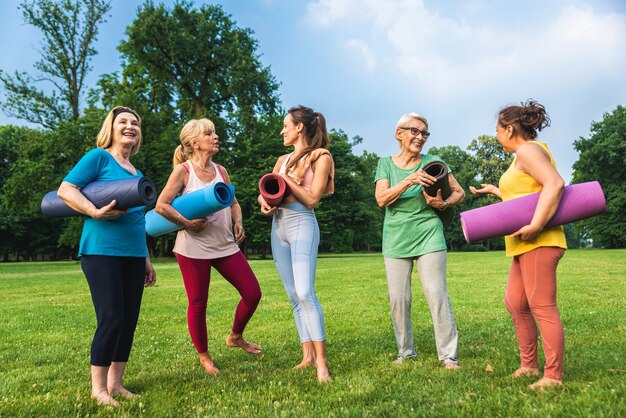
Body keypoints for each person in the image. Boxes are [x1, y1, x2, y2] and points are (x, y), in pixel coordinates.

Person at [57, 106, 157, 407]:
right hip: (101, 252)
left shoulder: (137, 174)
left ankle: (116, 384)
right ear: (111, 129)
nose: (130, 126)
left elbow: (138, 221)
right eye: (123, 122)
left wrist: (146, 259)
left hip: (132, 254)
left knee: (128, 321)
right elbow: (66, 189)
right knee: (111, 318)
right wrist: (93, 211)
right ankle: (98, 388)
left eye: (135, 123)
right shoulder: (98, 157)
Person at [470, 99, 567, 390]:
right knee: (516, 302)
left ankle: (553, 376)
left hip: (540, 241)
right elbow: (526, 198)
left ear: (509, 129)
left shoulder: (528, 151)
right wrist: (498, 191)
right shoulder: (523, 155)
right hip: (523, 243)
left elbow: (555, 183)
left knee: (542, 306)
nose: (497, 136)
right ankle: (528, 366)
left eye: (498, 130)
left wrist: (537, 225)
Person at [155, 118, 262, 375]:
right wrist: (186, 223)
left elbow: (233, 202)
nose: (215, 137)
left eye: (214, 133)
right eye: (209, 133)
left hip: (225, 245)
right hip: (193, 248)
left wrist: (238, 221)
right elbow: (161, 205)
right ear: (194, 143)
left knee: (252, 293)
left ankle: (235, 336)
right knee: (198, 302)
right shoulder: (183, 171)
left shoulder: (221, 170)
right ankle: (204, 356)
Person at [374, 112, 465, 368]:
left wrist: (443, 202)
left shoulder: (433, 161)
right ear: (399, 133)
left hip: (428, 232)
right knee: (398, 299)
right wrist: (410, 179)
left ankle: (448, 355)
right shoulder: (385, 164)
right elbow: (381, 199)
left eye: (424, 133)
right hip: (396, 236)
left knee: (436, 293)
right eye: (414, 131)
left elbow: (459, 192)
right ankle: (406, 352)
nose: (420, 137)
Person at [258, 105, 334, 382]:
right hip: (279, 226)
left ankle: (322, 363)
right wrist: (264, 203)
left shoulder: (320, 157)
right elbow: (266, 192)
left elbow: (313, 199)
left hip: (302, 223)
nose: (282, 131)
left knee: (305, 292)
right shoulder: (281, 160)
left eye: (285, 125)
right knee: (293, 295)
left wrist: (289, 183)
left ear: (299, 127)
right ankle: (307, 356)